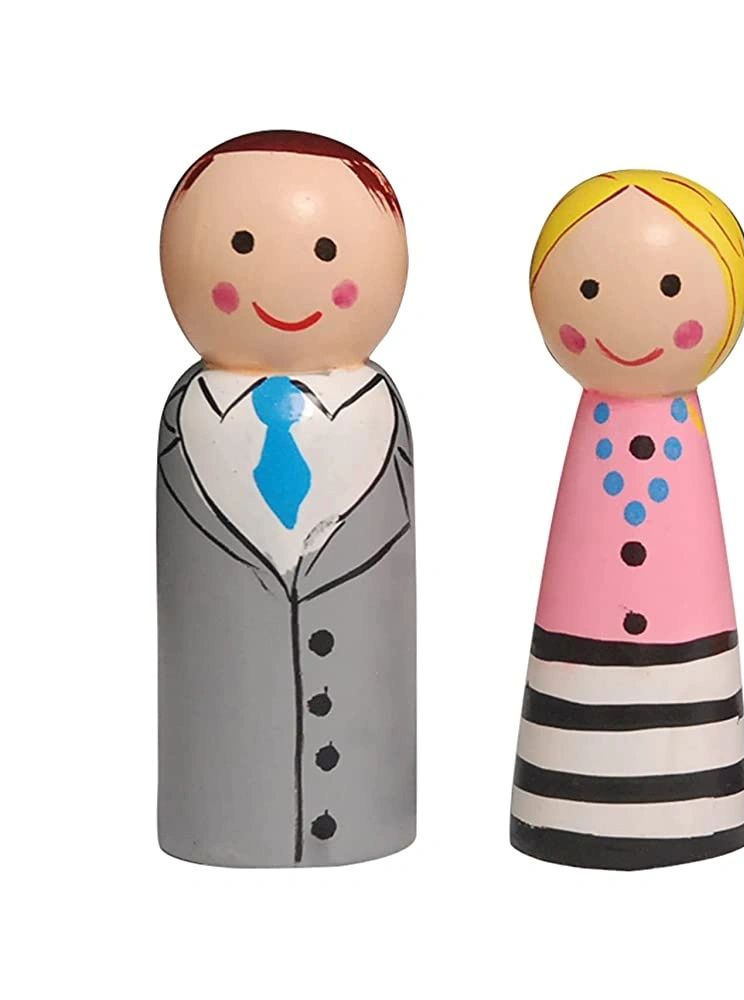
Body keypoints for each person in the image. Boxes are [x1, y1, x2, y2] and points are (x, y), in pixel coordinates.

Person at [157, 130, 415, 866]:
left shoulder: (382, 414)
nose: (284, 283)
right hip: (213, 803)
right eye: (239, 244)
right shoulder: (184, 418)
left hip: (373, 801)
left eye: (327, 251)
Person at [512, 170, 744, 869]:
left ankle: (687, 809)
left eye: (673, 287)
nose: (625, 315)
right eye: (587, 289)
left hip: (691, 667)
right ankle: (573, 811)